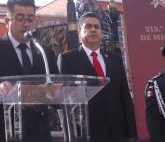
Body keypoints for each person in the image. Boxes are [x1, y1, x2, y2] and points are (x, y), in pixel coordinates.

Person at [0, 0, 59, 142]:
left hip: (40, 134)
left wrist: (60, 92)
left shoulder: (45, 52)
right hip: (4, 133)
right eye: (20, 18)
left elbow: (57, 93)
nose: (26, 24)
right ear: (7, 21)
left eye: (30, 19)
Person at [57, 11, 137, 141]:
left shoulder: (115, 59)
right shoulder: (67, 59)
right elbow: (66, 101)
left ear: (101, 33)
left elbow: (125, 98)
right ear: (79, 32)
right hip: (87, 132)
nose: (93, 29)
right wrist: (71, 135)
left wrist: (131, 135)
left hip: (117, 132)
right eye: (88, 26)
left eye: (97, 27)